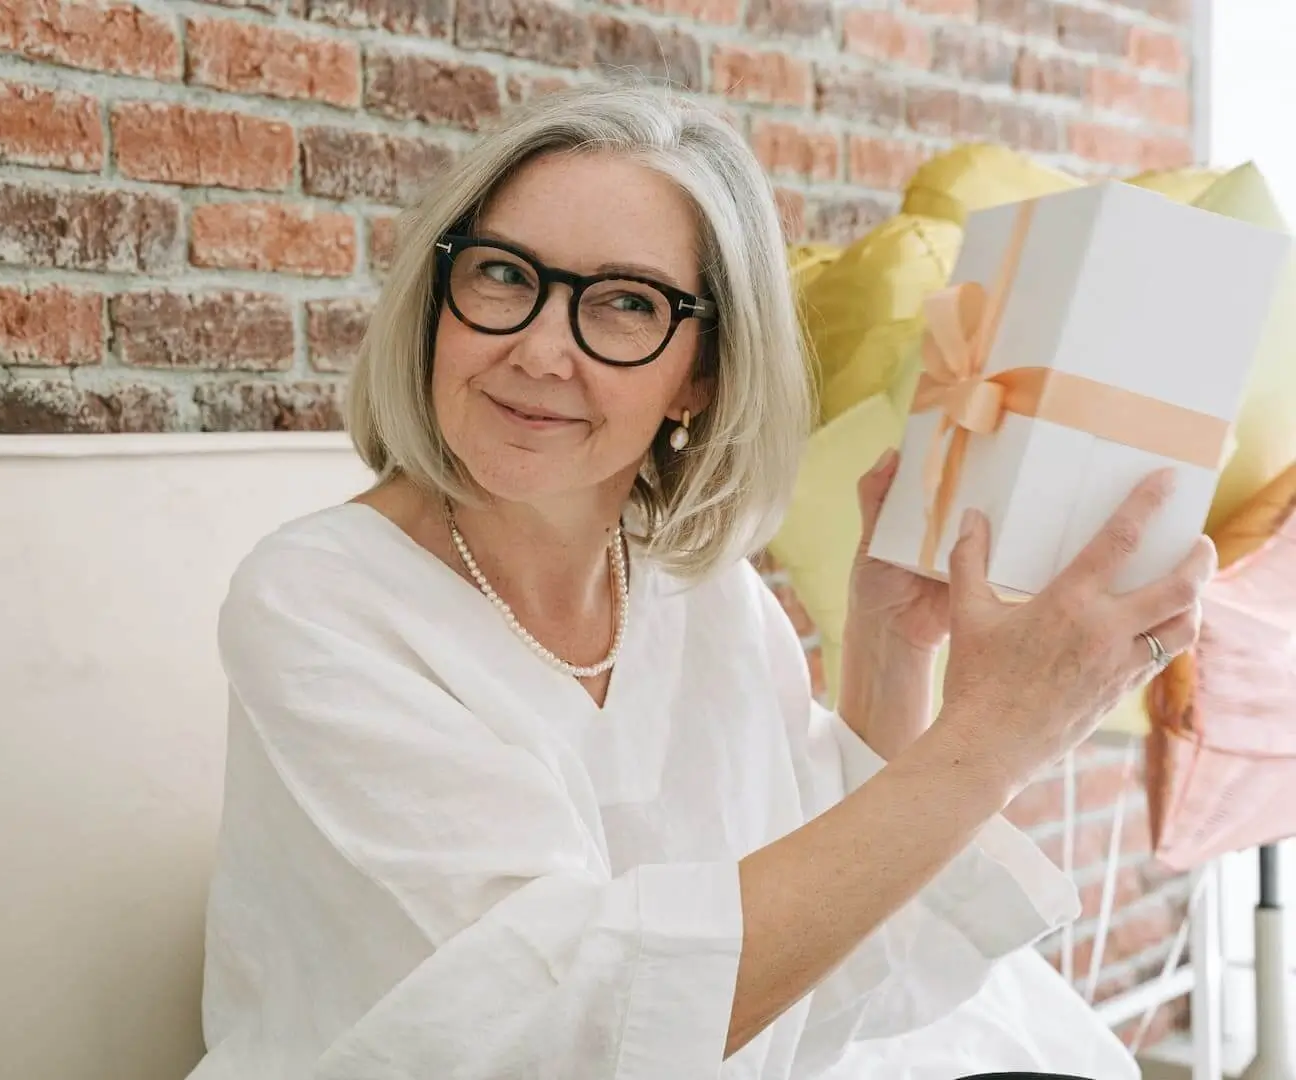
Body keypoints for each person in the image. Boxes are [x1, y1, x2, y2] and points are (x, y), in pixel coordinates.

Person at [188, 79, 1212, 1080]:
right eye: (503, 276)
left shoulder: (700, 596)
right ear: (436, 301)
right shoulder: (314, 601)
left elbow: (819, 967)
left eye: (627, 303)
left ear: (704, 373)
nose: (541, 350)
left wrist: (893, 651)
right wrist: (998, 739)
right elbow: (576, 1023)